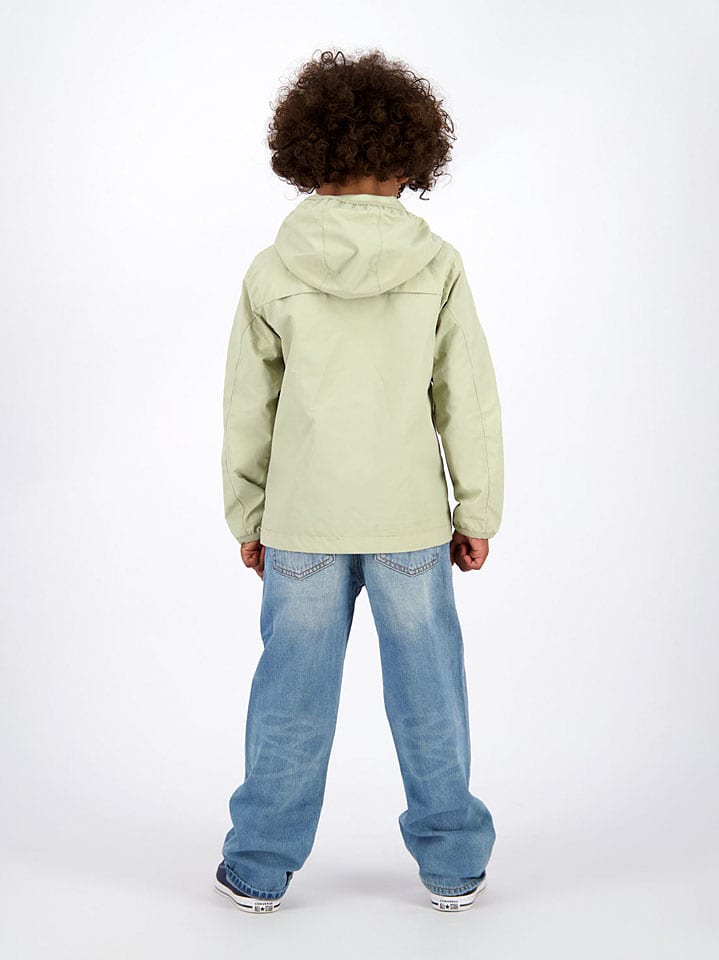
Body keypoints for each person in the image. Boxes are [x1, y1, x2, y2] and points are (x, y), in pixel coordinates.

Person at [214, 47, 504, 915]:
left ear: (309, 157)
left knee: (290, 697)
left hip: (302, 520)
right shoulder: (437, 265)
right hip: (409, 519)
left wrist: (248, 516)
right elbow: (467, 400)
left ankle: (259, 866)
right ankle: (453, 864)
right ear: (410, 161)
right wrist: (477, 509)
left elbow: (247, 409)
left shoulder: (272, 270)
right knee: (430, 693)